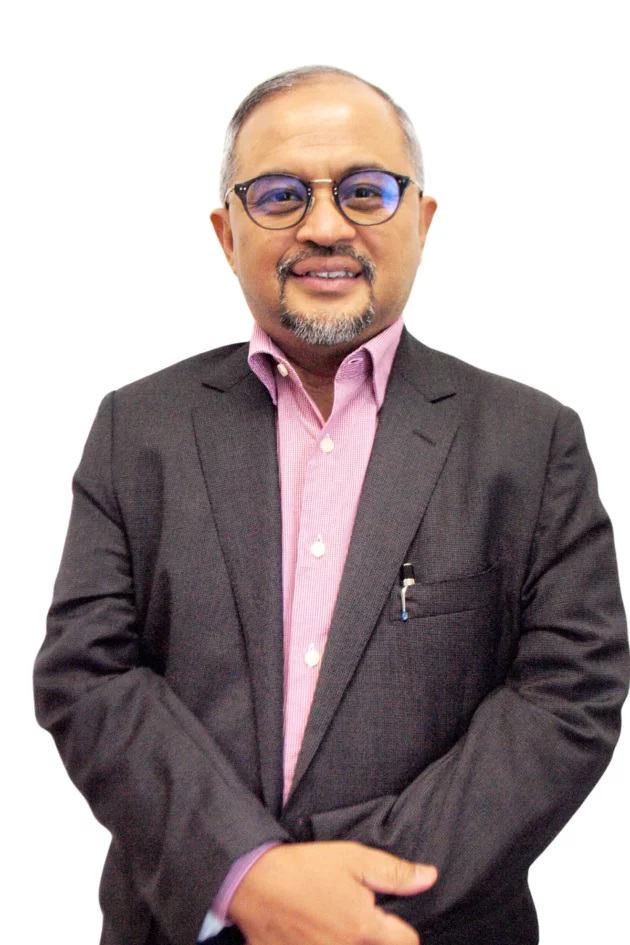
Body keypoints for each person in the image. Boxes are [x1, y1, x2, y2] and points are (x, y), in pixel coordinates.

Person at [34, 64, 629, 945]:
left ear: (422, 219)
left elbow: (569, 694)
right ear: (225, 231)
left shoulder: (531, 443)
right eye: (279, 195)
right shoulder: (137, 430)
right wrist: (245, 874)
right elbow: (87, 677)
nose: (323, 225)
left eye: (365, 191)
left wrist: (345, 895)